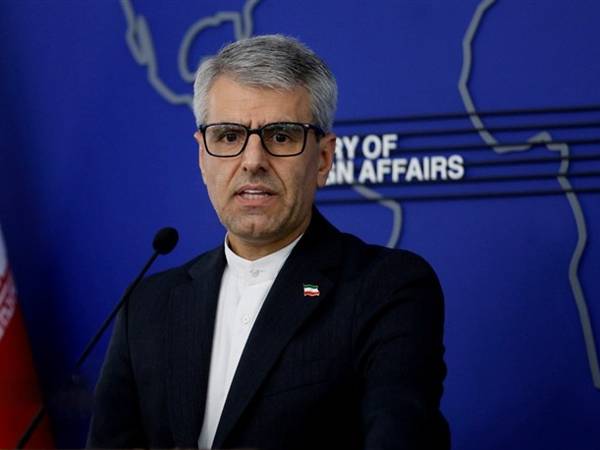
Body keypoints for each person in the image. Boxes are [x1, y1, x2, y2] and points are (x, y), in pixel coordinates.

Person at [87, 34, 449, 450]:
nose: (253, 161)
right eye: (228, 136)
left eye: (280, 136)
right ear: (202, 157)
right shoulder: (148, 306)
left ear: (323, 159)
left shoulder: (385, 289)